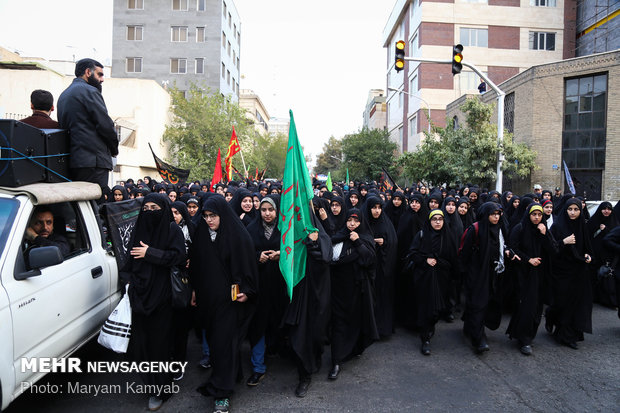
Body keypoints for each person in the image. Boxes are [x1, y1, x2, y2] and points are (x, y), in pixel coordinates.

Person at [190, 196, 258, 413]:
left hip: (230, 302)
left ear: (223, 214)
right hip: (207, 300)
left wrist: (247, 291)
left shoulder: (238, 236)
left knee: (222, 344)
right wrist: (194, 290)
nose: (209, 220)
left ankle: (222, 392)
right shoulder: (201, 234)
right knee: (217, 342)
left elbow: (248, 267)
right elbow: (196, 266)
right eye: (206, 216)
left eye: (213, 216)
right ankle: (232, 374)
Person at [124, 193, 186, 411]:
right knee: (142, 346)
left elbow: (178, 257)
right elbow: (129, 263)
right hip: (140, 296)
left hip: (162, 296)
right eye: (146, 207)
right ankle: (150, 384)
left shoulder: (172, 229)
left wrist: (150, 253)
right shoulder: (138, 229)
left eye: (155, 207)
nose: (150, 212)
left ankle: (160, 389)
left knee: (160, 345)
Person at [459, 202, 519, 354]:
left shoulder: (500, 228)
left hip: (495, 273)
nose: (496, 217)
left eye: (498, 214)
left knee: (487, 303)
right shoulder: (475, 229)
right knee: (479, 304)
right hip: (477, 274)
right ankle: (478, 339)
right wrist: (467, 275)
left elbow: (504, 245)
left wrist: (506, 252)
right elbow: (464, 253)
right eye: (493, 214)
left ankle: (470, 326)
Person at [57, 58, 118, 201]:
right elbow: (105, 125)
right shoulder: (90, 91)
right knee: (95, 207)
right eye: (99, 74)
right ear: (87, 72)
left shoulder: (64, 95)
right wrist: (114, 149)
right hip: (94, 163)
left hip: (75, 162)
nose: (102, 79)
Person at [328, 208, 378, 380]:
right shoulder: (337, 237)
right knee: (338, 324)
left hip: (357, 290)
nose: (352, 224)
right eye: (349, 220)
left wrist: (357, 242)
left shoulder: (365, 238)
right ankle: (336, 360)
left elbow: (369, 260)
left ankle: (354, 348)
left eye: (356, 221)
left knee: (356, 322)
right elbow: (329, 258)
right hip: (337, 291)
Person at [245, 196, 288, 387]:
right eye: (263, 210)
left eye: (271, 210)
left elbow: (296, 250)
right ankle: (258, 367)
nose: (267, 214)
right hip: (259, 287)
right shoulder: (251, 229)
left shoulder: (285, 229)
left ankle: (279, 350)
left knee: (280, 320)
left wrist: (282, 255)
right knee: (258, 325)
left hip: (281, 287)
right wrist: (257, 257)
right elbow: (243, 255)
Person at [506, 204, 557, 355]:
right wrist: (528, 260)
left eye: (539, 215)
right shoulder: (520, 228)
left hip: (541, 275)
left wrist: (545, 233)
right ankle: (524, 339)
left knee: (537, 308)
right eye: (533, 214)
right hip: (524, 274)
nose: (536, 217)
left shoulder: (543, 229)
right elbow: (512, 248)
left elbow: (554, 250)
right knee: (526, 306)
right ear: (528, 215)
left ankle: (528, 335)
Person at [407, 209, 457, 355]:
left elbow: (453, 259)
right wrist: (425, 259)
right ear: (429, 221)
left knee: (436, 311)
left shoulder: (448, 236)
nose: (437, 222)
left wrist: (440, 263)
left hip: (442, 279)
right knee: (425, 308)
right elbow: (413, 253)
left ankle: (430, 327)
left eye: (440, 219)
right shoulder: (422, 235)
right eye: (434, 219)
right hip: (424, 278)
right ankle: (425, 338)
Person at [546, 198, 593, 349]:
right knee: (562, 302)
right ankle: (552, 317)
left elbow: (587, 246)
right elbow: (550, 250)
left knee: (576, 304)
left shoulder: (582, 225)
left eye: (576, 209)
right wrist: (563, 242)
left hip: (579, 271)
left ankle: (568, 335)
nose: (573, 213)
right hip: (562, 272)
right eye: (570, 209)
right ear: (565, 210)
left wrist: (588, 255)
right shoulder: (558, 226)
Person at [363, 196, 398, 338]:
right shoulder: (363, 222)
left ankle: (382, 329)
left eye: (379, 207)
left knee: (382, 297)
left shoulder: (386, 223)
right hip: (367, 268)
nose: (377, 211)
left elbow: (393, 243)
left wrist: (384, 243)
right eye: (373, 207)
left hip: (382, 269)